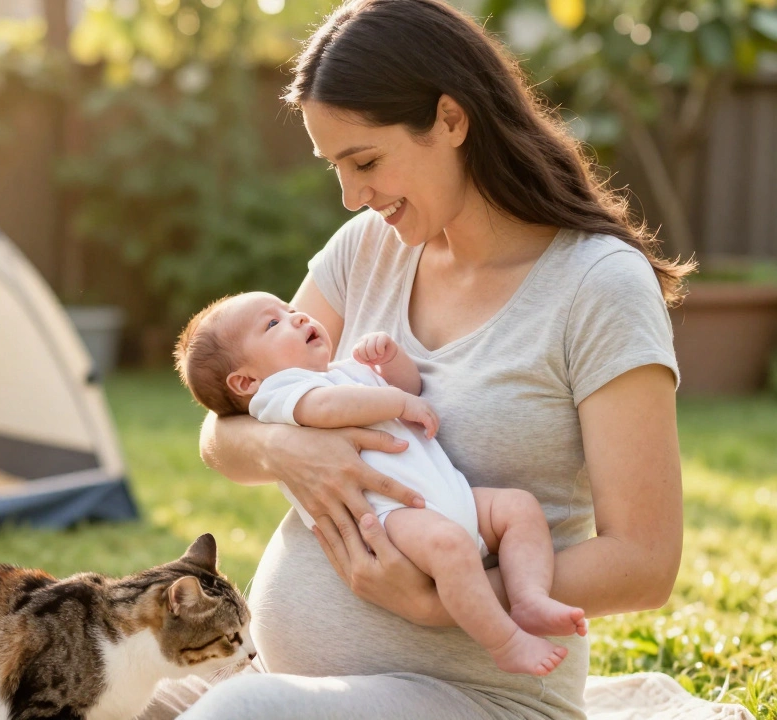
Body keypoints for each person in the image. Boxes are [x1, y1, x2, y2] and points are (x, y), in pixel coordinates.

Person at [144, 0, 689, 717]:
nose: (350, 196)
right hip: (305, 681)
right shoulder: (368, 250)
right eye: (335, 166)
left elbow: (645, 565)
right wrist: (289, 450)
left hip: (485, 693)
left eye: (364, 160)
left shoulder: (596, 286)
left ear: (452, 120)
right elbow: (223, 434)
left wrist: (444, 602)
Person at [173, 290, 586, 676]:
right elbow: (326, 409)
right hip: (391, 517)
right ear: (246, 382)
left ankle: (530, 598)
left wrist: (391, 363)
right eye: (272, 324)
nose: (296, 315)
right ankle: (505, 640)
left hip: (447, 496)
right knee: (449, 546)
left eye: (287, 307)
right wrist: (399, 402)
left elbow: (408, 388)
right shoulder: (278, 396)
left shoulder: (344, 372)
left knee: (519, 509)